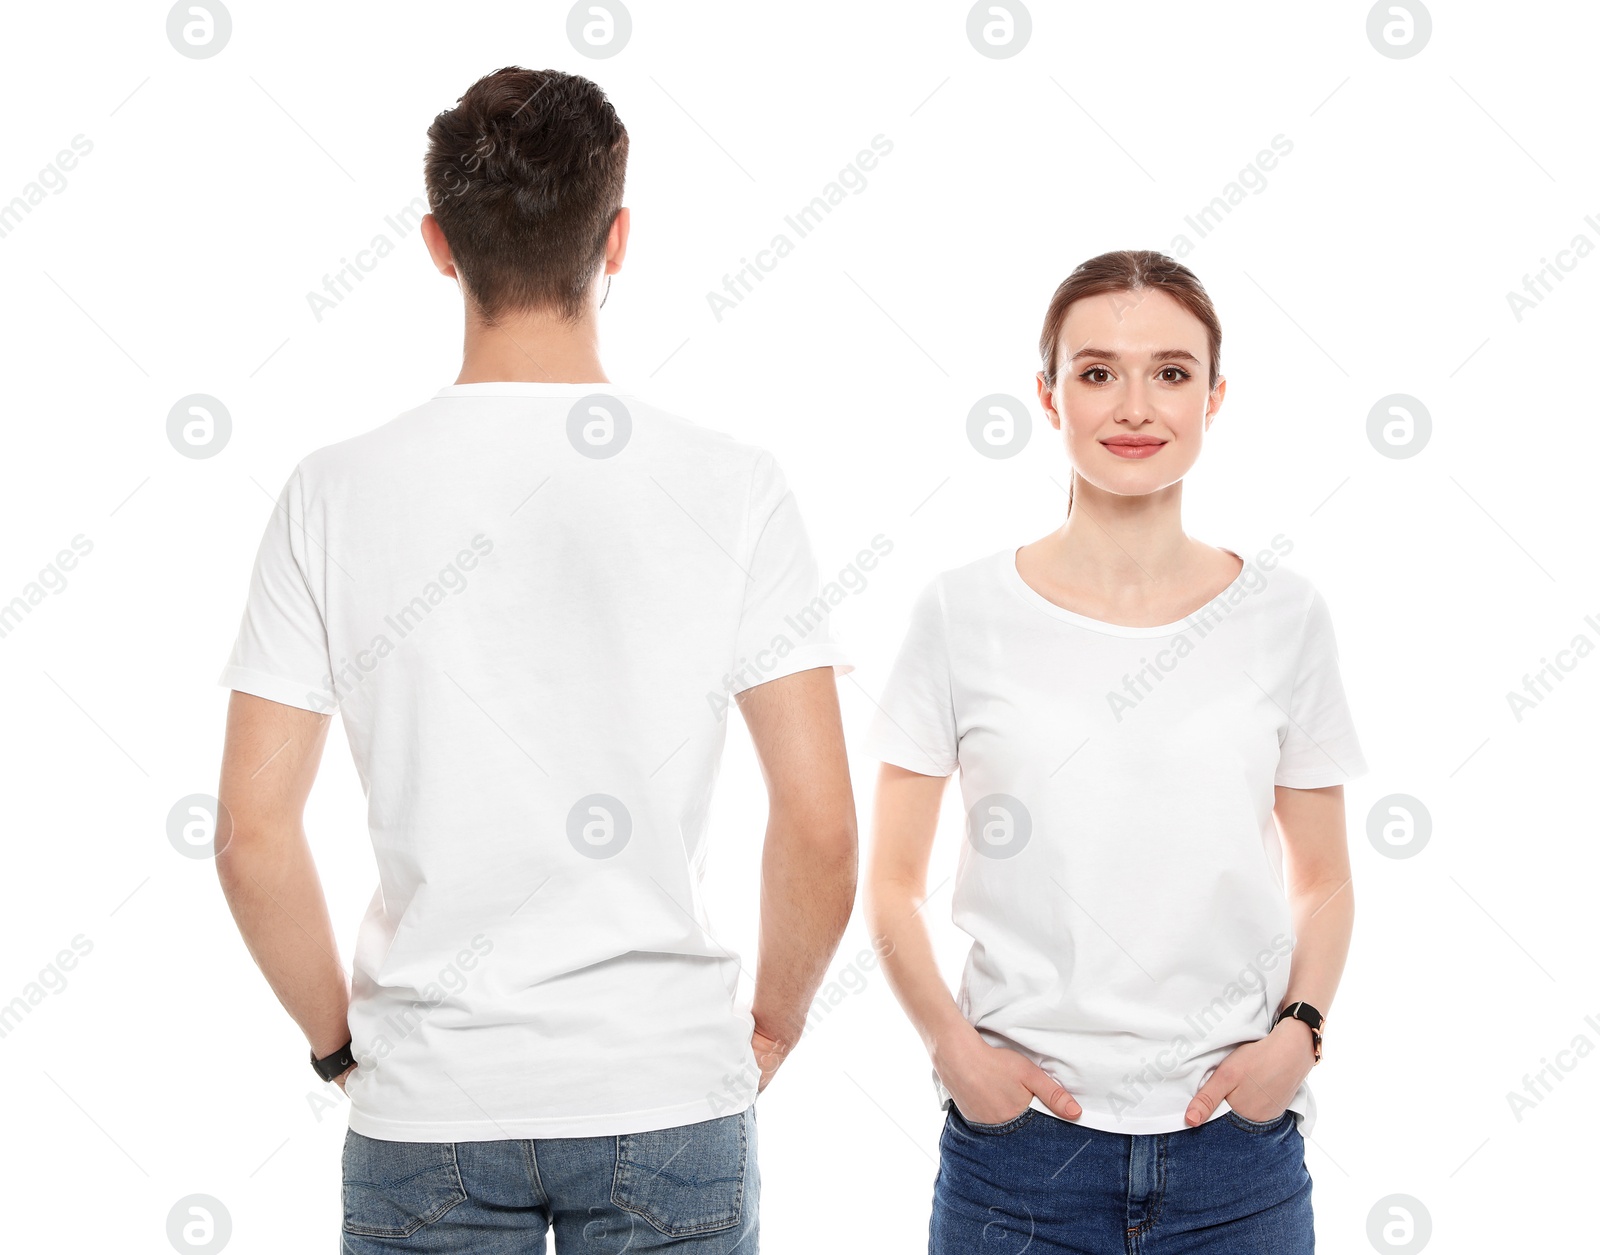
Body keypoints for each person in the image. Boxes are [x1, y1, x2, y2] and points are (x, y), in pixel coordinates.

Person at [213, 66, 857, 1253]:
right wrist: (765, 1028)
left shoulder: (333, 493)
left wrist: (342, 1046)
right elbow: (820, 825)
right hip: (667, 1089)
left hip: (427, 1108)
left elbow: (251, 838)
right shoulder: (735, 486)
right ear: (617, 240)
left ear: (435, 246)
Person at [863, 249, 1367, 1252]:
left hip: (1237, 1153)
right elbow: (888, 882)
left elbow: (1325, 880)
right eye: (1096, 372)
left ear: (1213, 397)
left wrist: (1296, 1037)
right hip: (1020, 1153)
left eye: (1170, 372)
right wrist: (954, 1052)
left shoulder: (1283, 615)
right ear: (1048, 398)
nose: (1134, 404)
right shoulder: (961, 613)